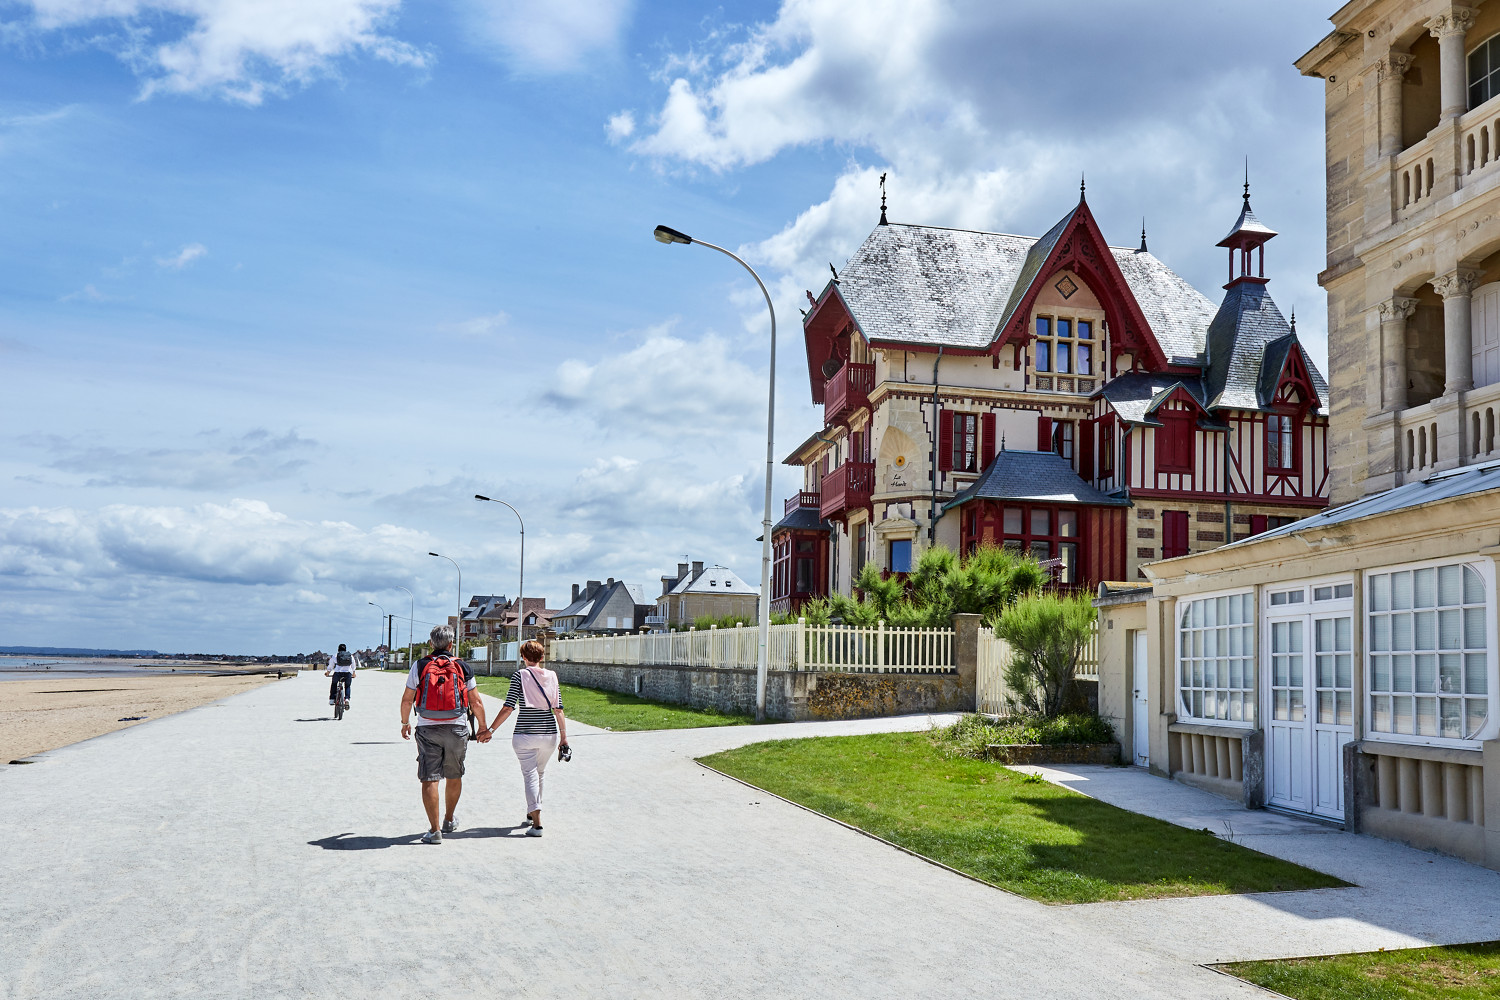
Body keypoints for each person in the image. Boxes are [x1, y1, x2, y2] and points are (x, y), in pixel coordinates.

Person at [400, 626, 487, 844]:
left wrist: (405, 723)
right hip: (457, 727)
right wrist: (483, 727)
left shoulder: (419, 665)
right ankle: (449, 820)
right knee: (454, 774)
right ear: (451, 645)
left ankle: (434, 830)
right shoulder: (462, 666)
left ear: (431, 644)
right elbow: (476, 702)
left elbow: (407, 700)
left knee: (430, 777)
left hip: (427, 728)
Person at [478, 639, 568, 837]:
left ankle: (536, 824)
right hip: (549, 734)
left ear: (523, 657)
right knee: (540, 774)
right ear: (542, 657)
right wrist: (564, 738)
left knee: (530, 775)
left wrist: (490, 730)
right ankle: (531, 812)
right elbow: (558, 709)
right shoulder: (552, 676)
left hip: (525, 734)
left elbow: (509, 707)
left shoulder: (520, 675)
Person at [325, 643, 360, 709]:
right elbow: (353, 665)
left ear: (338, 649)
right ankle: (347, 699)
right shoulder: (350, 655)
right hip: (347, 674)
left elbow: (331, 665)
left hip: (338, 673)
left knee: (334, 684)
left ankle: (332, 699)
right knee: (347, 686)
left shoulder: (335, 655)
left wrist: (328, 672)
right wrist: (354, 673)